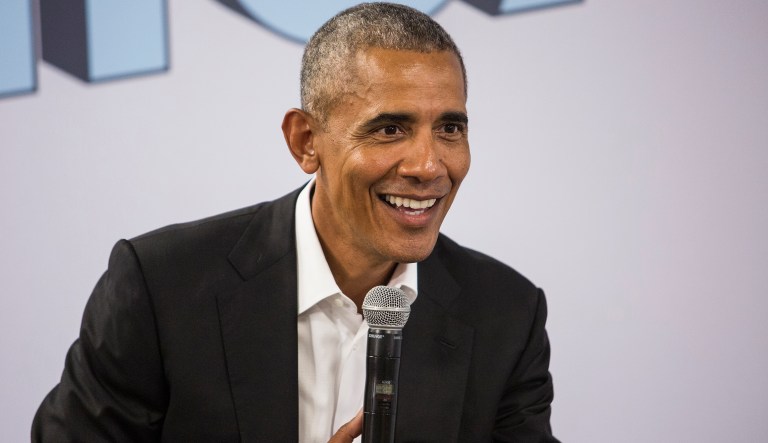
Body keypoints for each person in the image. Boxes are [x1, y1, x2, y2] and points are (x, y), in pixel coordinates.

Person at [32, 3, 558, 442]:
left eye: (449, 127)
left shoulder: (507, 315)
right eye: (390, 128)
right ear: (306, 141)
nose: (428, 165)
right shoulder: (160, 287)